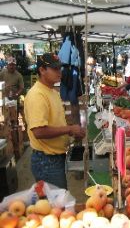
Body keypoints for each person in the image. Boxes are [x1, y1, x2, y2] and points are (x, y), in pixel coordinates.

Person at [24, 53, 86, 189]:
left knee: (58, 203)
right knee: (57, 206)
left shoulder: (52, 92)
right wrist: (69, 129)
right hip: (46, 161)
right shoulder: (37, 95)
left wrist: (70, 131)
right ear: (42, 70)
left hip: (55, 158)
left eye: (60, 68)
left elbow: (54, 123)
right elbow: (39, 131)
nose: (60, 72)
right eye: (55, 69)